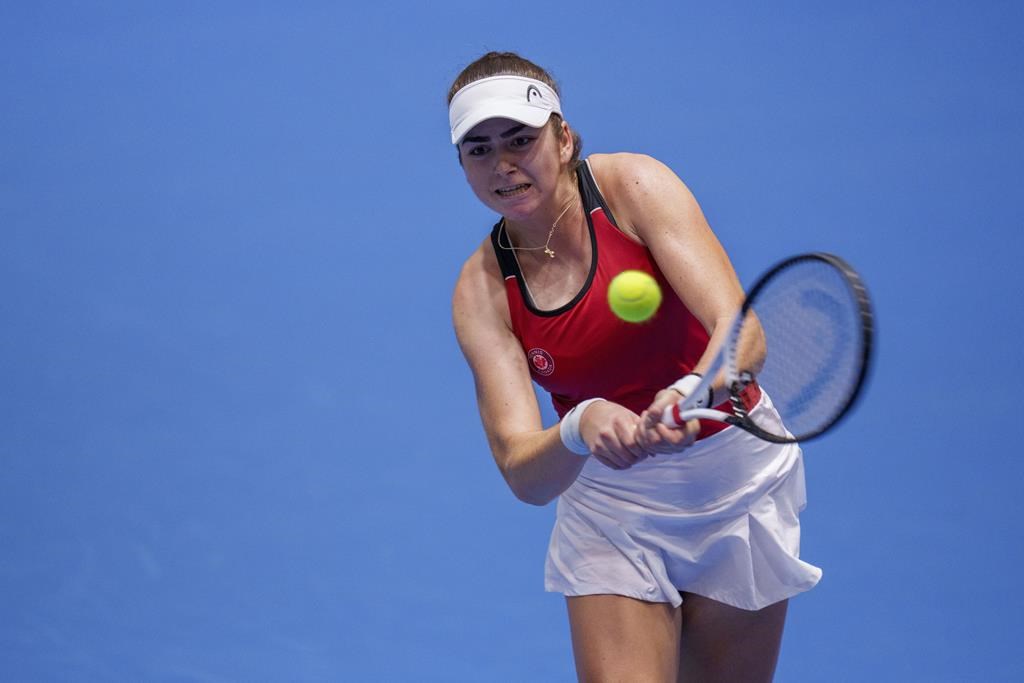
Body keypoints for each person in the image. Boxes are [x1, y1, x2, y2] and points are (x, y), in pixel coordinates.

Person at [448, 51, 821, 682]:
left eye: (521, 139)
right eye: (478, 149)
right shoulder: (481, 293)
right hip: (612, 509)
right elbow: (523, 473)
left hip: (734, 480)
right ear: (461, 164)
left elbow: (742, 332)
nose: (503, 164)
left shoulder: (634, 188)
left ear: (563, 138)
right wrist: (580, 424)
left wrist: (688, 391)